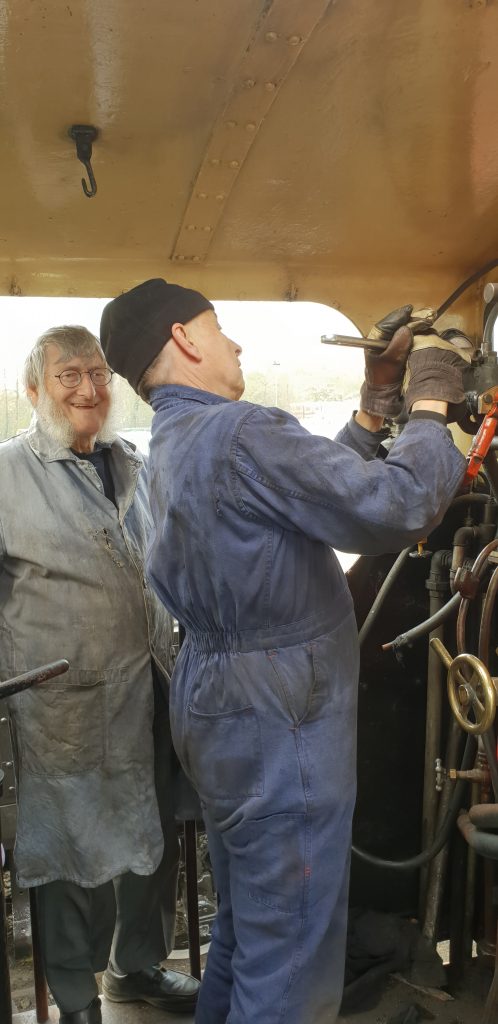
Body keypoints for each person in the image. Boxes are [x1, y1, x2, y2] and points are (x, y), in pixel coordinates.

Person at [100, 281, 468, 1024]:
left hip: (216, 702)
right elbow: (396, 506)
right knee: (293, 960)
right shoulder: (240, 431)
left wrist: (375, 402)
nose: (235, 345)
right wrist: (430, 404)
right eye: (221, 329)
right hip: (280, 716)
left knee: (246, 933)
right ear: (185, 340)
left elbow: (301, 496)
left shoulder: (175, 443)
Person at [0, 326, 199, 1023]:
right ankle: (78, 997)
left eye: (97, 374)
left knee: (154, 840)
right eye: (67, 377)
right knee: (67, 852)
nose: (88, 389)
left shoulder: (132, 464)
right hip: (63, 703)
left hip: (148, 687)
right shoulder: (6, 475)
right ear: (34, 391)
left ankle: (136, 970)